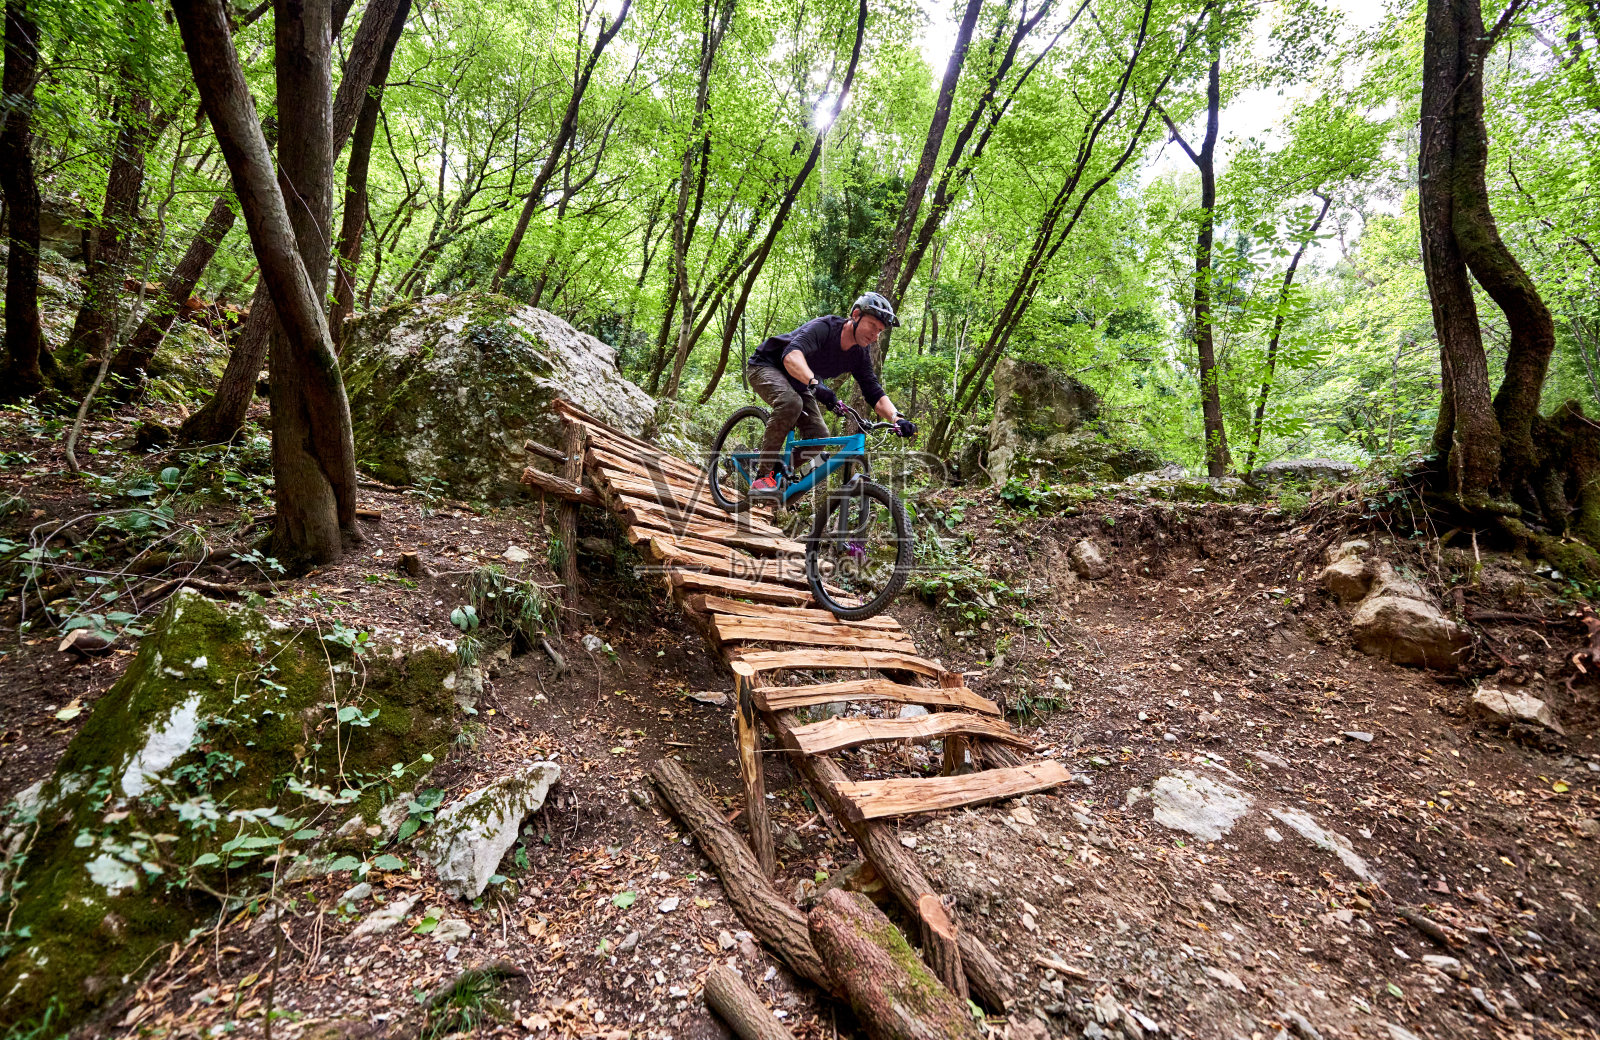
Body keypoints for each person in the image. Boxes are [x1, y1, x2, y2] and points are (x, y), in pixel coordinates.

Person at [744, 292, 916, 496]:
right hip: (767, 366)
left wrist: (897, 418)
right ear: (856, 315)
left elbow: (873, 391)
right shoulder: (825, 327)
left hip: (800, 382)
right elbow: (791, 356)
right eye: (872, 326)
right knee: (791, 402)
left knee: (820, 436)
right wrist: (815, 384)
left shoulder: (859, 355)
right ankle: (762, 477)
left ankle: (777, 468)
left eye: (880, 331)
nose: (875, 335)